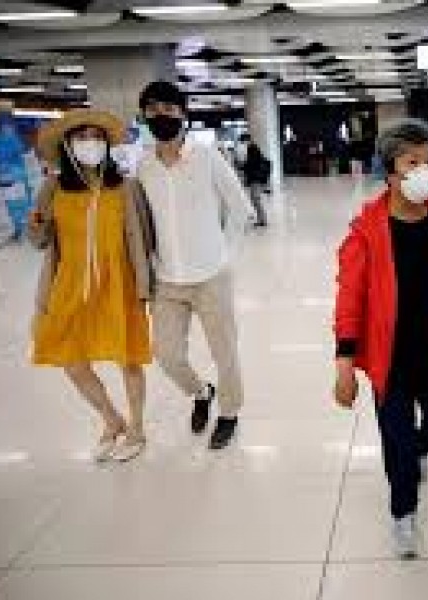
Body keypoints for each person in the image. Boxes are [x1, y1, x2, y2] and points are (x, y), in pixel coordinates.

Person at [332, 118, 428, 559]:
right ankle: (403, 513)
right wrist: (344, 362)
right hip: (392, 361)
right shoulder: (367, 233)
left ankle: (414, 453)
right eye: (412, 162)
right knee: (399, 447)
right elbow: (349, 301)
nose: (424, 171)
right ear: (390, 171)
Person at [136, 81, 255, 450]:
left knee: (225, 352)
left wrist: (223, 254)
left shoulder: (207, 157)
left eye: (169, 109)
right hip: (167, 281)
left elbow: (241, 209)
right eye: (153, 110)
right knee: (166, 355)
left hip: (211, 278)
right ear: (144, 116)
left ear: (183, 115)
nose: (162, 116)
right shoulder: (143, 166)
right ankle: (202, 392)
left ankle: (230, 412)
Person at [29, 109, 153, 463]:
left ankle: (137, 427)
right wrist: (36, 220)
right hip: (69, 286)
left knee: (128, 359)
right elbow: (38, 241)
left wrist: (145, 286)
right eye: (81, 137)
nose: (90, 143)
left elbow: (142, 238)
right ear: (68, 145)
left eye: (96, 137)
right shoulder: (53, 188)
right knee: (72, 361)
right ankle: (111, 420)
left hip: (119, 285)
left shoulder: (125, 187)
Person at [239, 133, 270, 227]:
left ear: (247, 140)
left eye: (243, 141)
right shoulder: (253, 148)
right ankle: (261, 219)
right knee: (255, 199)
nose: (243, 143)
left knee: (255, 199)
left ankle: (263, 220)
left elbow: (252, 163)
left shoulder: (252, 148)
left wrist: (242, 167)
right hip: (256, 177)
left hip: (255, 178)